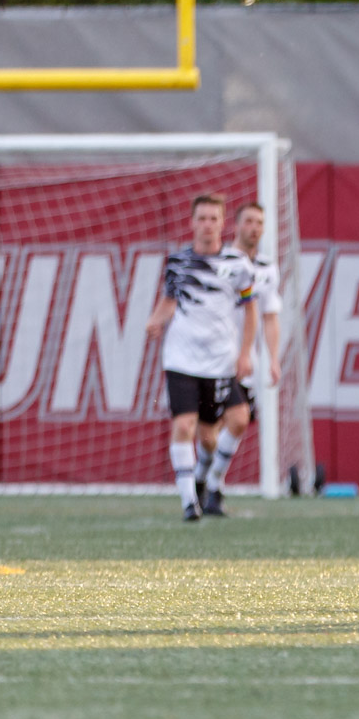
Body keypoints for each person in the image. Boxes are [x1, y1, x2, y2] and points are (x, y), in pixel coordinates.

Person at [146, 194, 258, 522]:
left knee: (215, 433)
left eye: (213, 218)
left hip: (220, 361)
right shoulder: (177, 262)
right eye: (202, 218)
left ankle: (208, 480)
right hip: (181, 358)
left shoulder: (239, 266)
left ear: (223, 223)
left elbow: (250, 311)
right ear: (192, 222)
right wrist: (155, 320)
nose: (207, 224)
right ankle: (188, 504)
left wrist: (245, 353)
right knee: (184, 425)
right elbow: (170, 301)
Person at [192, 202, 284, 514]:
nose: (254, 228)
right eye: (249, 221)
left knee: (239, 420)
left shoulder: (267, 269)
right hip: (213, 359)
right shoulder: (221, 262)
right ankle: (201, 478)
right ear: (236, 225)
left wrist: (273, 358)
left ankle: (213, 484)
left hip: (243, 361)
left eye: (259, 222)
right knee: (208, 434)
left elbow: (269, 317)